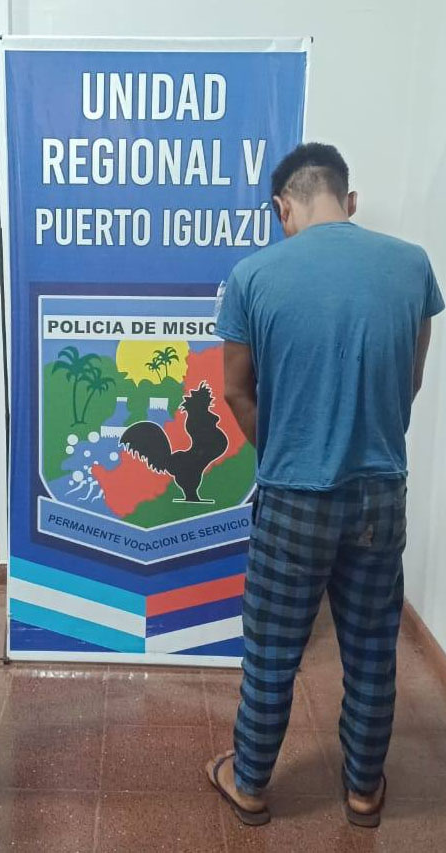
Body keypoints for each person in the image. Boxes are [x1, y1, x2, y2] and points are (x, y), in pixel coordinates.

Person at [207, 142, 444, 828]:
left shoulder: (253, 276)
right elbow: (410, 379)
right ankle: (364, 789)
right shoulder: (412, 265)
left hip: (293, 497)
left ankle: (251, 783)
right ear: (350, 200)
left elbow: (235, 391)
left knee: (273, 650)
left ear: (283, 207)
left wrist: (289, 445)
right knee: (371, 649)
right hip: (381, 492)